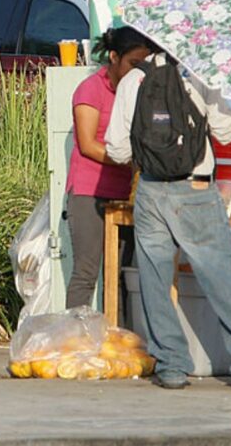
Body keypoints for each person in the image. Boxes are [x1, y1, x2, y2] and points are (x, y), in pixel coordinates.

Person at [104, 50, 231, 390]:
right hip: (196, 190)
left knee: (154, 281)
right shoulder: (201, 75)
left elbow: (118, 149)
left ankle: (172, 366)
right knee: (223, 278)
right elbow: (226, 133)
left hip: (150, 191)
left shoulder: (133, 80)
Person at [64, 27, 151, 308]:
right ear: (114, 57)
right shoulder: (90, 89)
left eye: (143, 65)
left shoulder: (142, 89)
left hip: (128, 194)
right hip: (90, 191)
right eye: (133, 64)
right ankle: (74, 342)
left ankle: (118, 339)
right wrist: (127, 159)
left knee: (122, 275)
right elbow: (88, 144)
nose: (138, 72)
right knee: (86, 273)